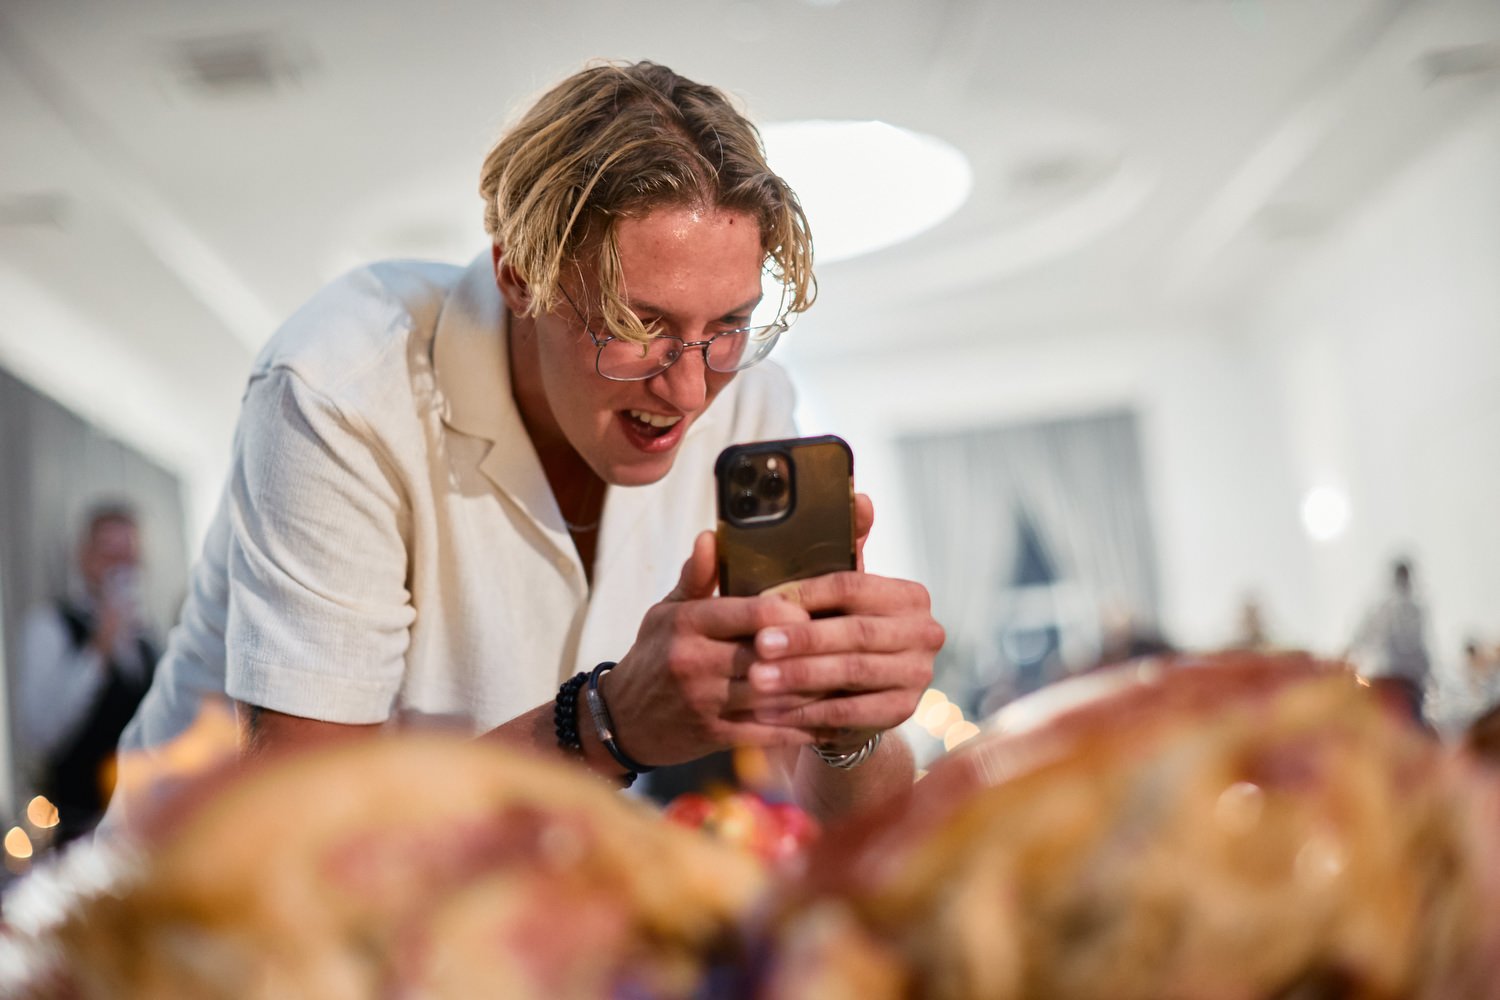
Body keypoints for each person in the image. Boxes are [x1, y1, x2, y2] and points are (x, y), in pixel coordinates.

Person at [107, 60, 943, 832]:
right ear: (517, 275)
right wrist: (607, 724)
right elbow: (304, 830)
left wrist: (847, 725)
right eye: (636, 325)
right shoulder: (342, 385)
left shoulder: (751, 402)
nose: (690, 392)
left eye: (728, 324)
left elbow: (854, 817)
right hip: (189, 902)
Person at [17, 502, 158, 845]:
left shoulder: (145, 640)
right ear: (84, 558)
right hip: (79, 832)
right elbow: (39, 734)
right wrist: (97, 652)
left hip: (145, 829)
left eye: (128, 556)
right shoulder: (50, 626)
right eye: (109, 554)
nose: (121, 566)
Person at [1348, 558, 1432, 722]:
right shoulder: (1410, 607)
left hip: (1395, 680)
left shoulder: (1385, 606)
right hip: (1402, 681)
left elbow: (1360, 639)